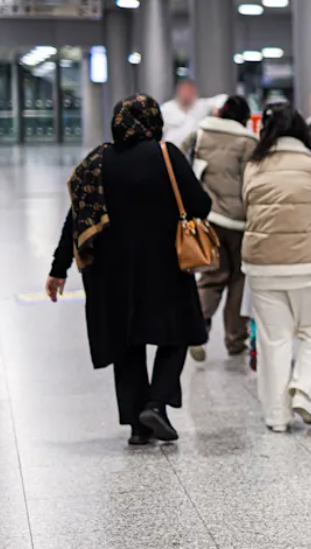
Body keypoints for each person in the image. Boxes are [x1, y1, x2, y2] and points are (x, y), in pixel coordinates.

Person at [46, 94, 211, 445]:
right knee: (178, 333)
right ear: (155, 122)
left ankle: (138, 426)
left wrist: (57, 269)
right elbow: (201, 204)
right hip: (165, 266)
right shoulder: (167, 155)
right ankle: (156, 404)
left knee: (127, 343)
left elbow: (76, 217)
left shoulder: (97, 162)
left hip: (111, 272)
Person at [242, 103, 311, 433]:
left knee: (274, 339)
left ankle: (276, 416)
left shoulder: (253, 165)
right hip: (309, 263)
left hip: (262, 264)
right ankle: (305, 389)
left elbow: (246, 206)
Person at [181, 95, 257, 362]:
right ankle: (235, 341)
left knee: (211, 277)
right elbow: (253, 182)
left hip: (208, 219)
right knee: (239, 279)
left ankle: (198, 329)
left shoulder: (199, 135)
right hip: (239, 222)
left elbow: (182, 168)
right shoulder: (248, 142)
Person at [161, 80, 226, 146]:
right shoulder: (167, 108)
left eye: (189, 91)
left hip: (193, 150)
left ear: (194, 92)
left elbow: (223, 98)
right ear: (178, 91)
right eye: (183, 91)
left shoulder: (201, 105)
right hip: (170, 150)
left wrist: (217, 109)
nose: (186, 94)